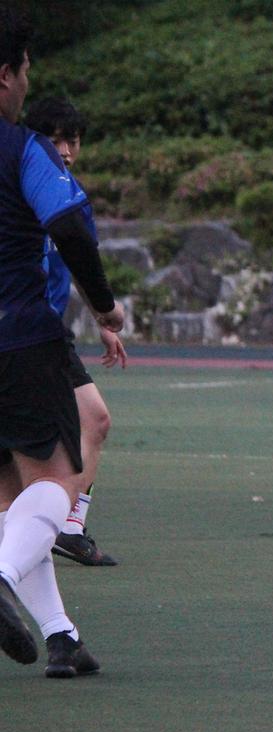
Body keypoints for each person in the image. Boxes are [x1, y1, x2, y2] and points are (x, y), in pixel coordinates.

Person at [0, 6, 124, 676]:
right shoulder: (22, 147)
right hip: (19, 337)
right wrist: (105, 306)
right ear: (5, 75)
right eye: (24, 71)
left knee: (12, 498)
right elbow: (69, 227)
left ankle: (61, 636)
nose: (26, 84)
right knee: (59, 481)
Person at [24, 96, 124, 567]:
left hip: (46, 335)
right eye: (55, 140)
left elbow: (80, 260)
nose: (65, 150)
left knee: (93, 421)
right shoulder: (20, 191)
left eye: (73, 141)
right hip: (22, 331)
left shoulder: (70, 197)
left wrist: (104, 321)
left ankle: (67, 526)